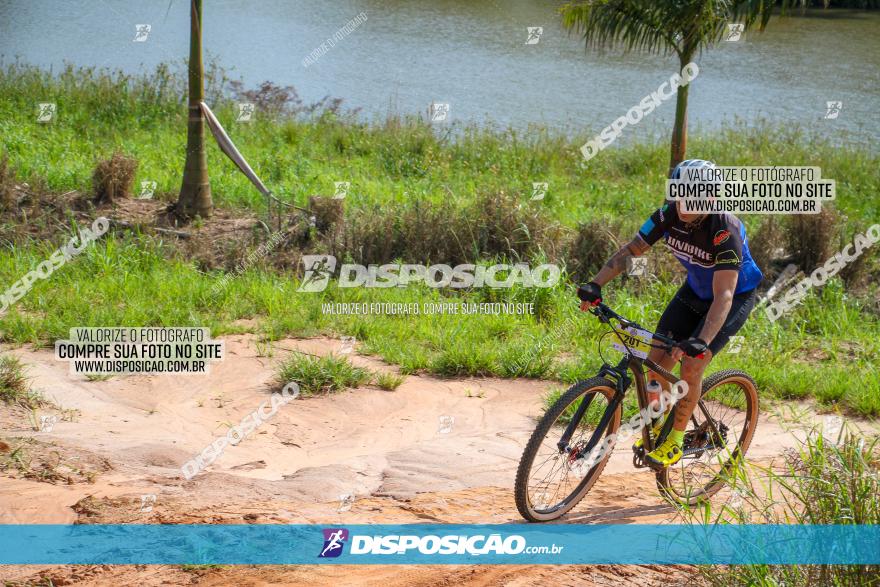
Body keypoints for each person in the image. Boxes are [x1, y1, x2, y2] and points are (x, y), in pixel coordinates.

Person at [577, 159, 763, 468]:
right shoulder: (666, 215)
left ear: (711, 197)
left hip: (731, 298)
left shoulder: (723, 231)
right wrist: (595, 284)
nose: (684, 201)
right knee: (655, 362)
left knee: (691, 364)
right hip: (695, 291)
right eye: (679, 192)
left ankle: (675, 441)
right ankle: (659, 424)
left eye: (693, 194)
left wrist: (701, 341)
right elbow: (631, 250)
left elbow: (725, 295)